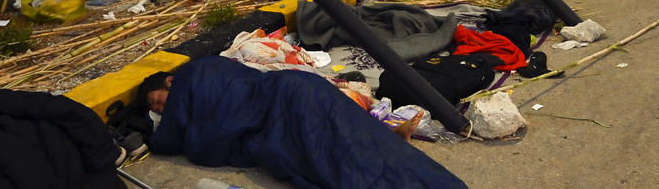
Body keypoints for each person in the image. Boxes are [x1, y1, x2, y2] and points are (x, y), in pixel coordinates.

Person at [138, 56, 466, 188]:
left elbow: (197, 140)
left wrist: (154, 139)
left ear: (169, 82)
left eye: (158, 101)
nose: (164, 109)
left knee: (353, 152)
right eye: (157, 109)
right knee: (356, 147)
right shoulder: (205, 75)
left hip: (288, 97)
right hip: (298, 90)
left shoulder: (194, 75)